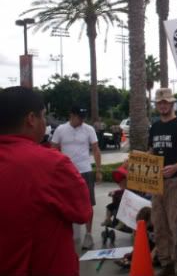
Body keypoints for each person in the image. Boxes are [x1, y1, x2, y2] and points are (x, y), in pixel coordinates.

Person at [0, 87, 92, 276]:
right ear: (31, 119)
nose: (45, 122)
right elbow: (83, 212)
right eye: (43, 116)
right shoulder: (52, 164)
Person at [149, 88, 177, 276]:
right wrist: (138, 161)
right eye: (159, 103)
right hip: (156, 184)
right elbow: (151, 152)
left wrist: (175, 167)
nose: (162, 106)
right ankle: (167, 265)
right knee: (159, 226)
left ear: (172, 103)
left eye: (165, 102)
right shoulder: (155, 127)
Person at [51, 105, 102, 250]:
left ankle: (89, 234)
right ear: (71, 115)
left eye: (83, 117)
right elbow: (53, 149)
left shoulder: (89, 129)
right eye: (79, 117)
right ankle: (67, 234)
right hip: (67, 172)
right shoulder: (61, 129)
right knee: (64, 203)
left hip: (85, 170)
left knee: (88, 203)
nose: (81, 120)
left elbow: (96, 150)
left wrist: (98, 170)